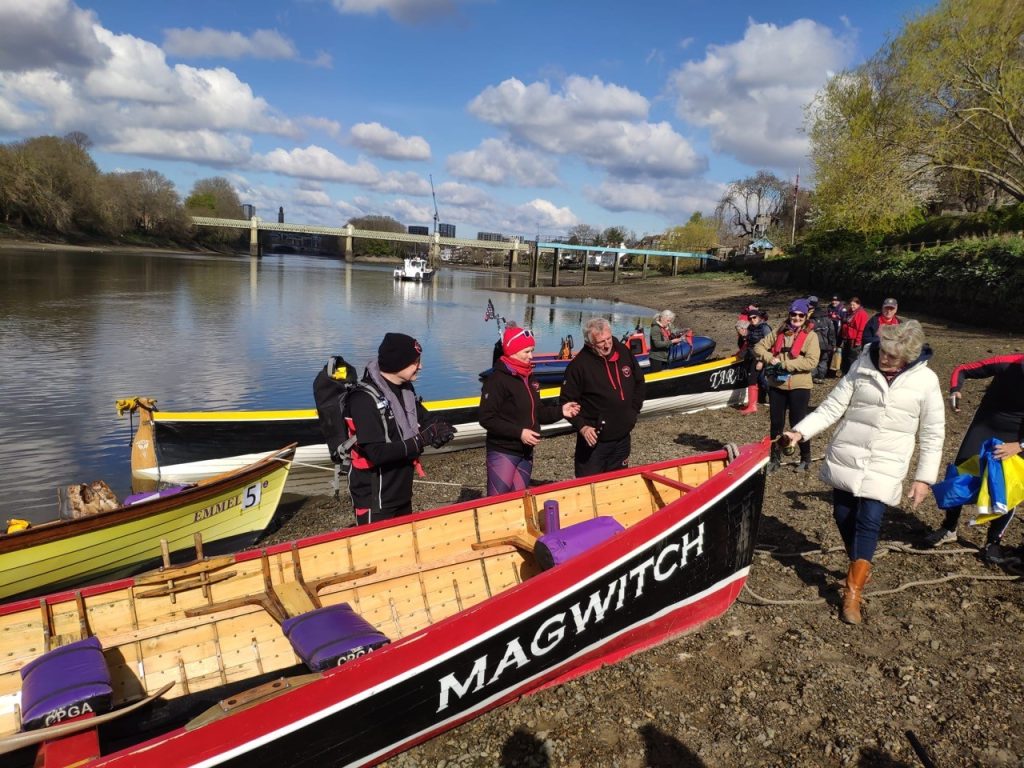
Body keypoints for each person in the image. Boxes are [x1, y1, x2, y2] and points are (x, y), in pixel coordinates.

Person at [783, 321, 945, 624]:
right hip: (848, 454)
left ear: (908, 356)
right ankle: (859, 561)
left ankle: (853, 592)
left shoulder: (926, 381)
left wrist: (924, 478)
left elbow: (933, 433)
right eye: (883, 351)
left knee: (869, 521)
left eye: (892, 356)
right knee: (843, 516)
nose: (884, 359)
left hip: (887, 462)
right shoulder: (862, 365)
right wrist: (799, 433)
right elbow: (832, 407)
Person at [922, 353, 1024, 563]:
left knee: (1007, 485)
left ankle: (993, 542)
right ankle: (949, 527)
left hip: (1017, 435)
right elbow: (963, 369)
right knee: (960, 472)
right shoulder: (1008, 363)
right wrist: (955, 390)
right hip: (985, 424)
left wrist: (1019, 446)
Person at [346, 332, 455, 525]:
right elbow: (376, 453)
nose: (420, 366)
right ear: (398, 362)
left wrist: (441, 427)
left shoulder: (405, 389)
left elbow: (424, 417)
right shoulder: (363, 399)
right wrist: (422, 440)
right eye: (415, 362)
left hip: (402, 492)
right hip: (375, 499)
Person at [480, 326, 580, 495]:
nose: (531, 356)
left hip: (526, 451)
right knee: (496, 505)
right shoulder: (497, 380)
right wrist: (519, 433)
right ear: (512, 350)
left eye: (532, 351)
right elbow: (486, 418)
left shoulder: (530, 377)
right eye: (526, 351)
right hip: (503, 450)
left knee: (519, 501)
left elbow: (538, 412)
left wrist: (561, 411)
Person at [561, 317, 646, 477]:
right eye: (601, 342)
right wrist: (582, 427)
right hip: (594, 441)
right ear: (590, 343)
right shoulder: (579, 366)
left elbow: (639, 382)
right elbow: (567, 402)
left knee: (618, 484)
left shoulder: (622, 351)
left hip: (622, 436)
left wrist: (633, 411)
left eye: (609, 339)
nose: (607, 345)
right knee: (589, 487)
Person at [754, 299, 820, 472]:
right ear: (789, 314)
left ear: (805, 316)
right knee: (776, 423)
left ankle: (805, 458)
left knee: (798, 422)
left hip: (800, 386)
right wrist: (770, 358)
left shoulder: (811, 337)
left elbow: (812, 362)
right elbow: (759, 347)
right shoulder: (778, 332)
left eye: (800, 315)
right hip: (777, 385)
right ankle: (774, 459)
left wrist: (785, 365)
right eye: (793, 314)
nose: (796, 318)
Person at [807, 296, 836, 384]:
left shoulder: (810, 320)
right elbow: (832, 332)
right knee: (823, 360)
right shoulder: (827, 319)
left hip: (814, 344)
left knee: (814, 360)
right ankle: (821, 377)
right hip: (825, 344)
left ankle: (814, 376)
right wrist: (832, 344)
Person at [840, 296, 869, 375]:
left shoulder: (862, 314)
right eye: (851, 305)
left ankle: (851, 373)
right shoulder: (849, 312)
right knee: (845, 356)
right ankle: (844, 372)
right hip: (847, 338)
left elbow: (861, 329)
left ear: (858, 304)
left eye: (854, 305)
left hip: (854, 339)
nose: (852, 307)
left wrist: (858, 341)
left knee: (852, 358)